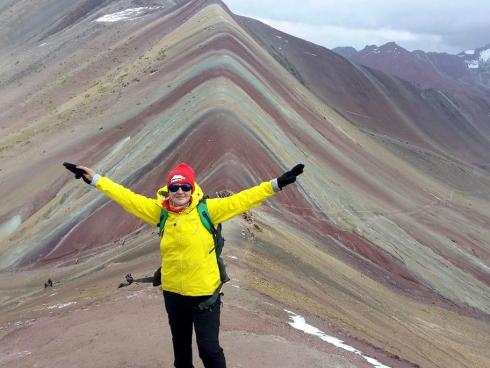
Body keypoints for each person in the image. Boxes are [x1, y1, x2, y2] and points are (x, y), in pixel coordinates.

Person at [68, 162, 304, 368]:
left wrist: (277, 183)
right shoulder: (159, 212)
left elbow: (245, 198)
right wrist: (96, 179)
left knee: (209, 351)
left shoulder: (209, 210)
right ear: (168, 190)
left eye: (185, 187)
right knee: (181, 355)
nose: (179, 191)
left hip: (205, 294)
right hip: (173, 293)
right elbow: (126, 197)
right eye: (174, 187)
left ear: (192, 189)